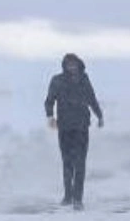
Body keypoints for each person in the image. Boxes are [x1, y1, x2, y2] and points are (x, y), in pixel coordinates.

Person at [44, 53, 103, 210]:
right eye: (68, 64)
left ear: (78, 65)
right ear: (64, 66)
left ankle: (78, 198)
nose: (71, 67)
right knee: (67, 162)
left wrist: (99, 115)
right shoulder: (57, 81)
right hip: (64, 127)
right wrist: (50, 116)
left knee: (80, 162)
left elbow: (92, 98)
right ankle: (68, 196)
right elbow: (49, 100)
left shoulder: (84, 80)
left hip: (82, 127)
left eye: (74, 64)